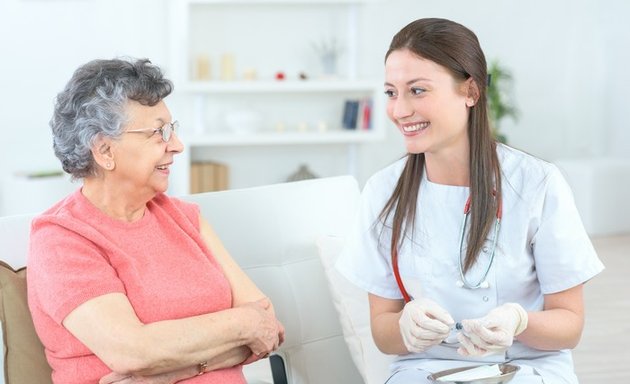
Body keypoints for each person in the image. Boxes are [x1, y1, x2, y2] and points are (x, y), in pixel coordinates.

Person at [336, 18, 604, 384]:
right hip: (424, 369)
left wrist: (519, 321)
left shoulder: (537, 184)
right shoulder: (383, 192)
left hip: (524, 367)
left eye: (417, 90)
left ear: (471, 92)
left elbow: (569, 325)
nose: (399, 110)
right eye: (391, 93)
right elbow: (383, 332)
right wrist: (404, 327)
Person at [27, 57, 284, 384]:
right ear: (105, 151)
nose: (176, 146)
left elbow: (268, 327)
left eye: (172, 130)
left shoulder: (184, 217)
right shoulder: (62, 239)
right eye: (158, 132)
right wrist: (242, 325)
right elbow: (132, 352)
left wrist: (166, 373)